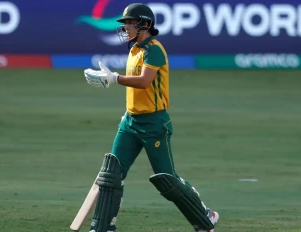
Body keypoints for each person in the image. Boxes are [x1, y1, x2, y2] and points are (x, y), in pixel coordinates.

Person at [83, 3, 219, 232]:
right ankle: (104, 227)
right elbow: (137, 90)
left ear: (145, 24)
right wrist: (129, 111)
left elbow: (145, 81)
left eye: (129, 22)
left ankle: (205, 217)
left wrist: (115, 78)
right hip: (131, 122)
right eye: (124, 23)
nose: (125, 27)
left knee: (167, 180)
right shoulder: (134, 49)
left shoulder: (154, 49)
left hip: (154, 123)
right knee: (111, 174)